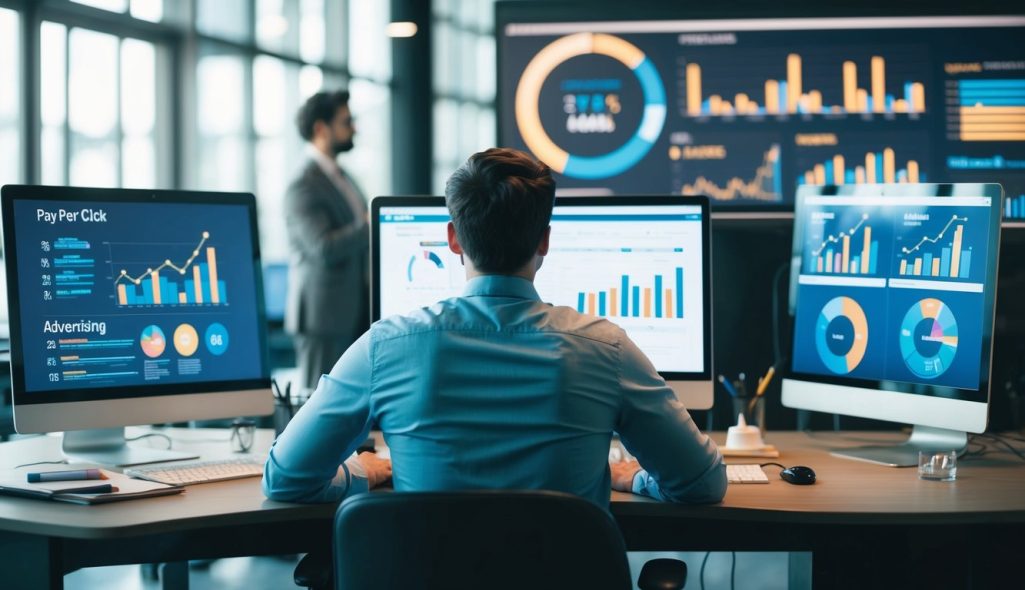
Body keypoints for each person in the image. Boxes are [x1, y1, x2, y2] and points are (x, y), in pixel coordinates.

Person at [264, 148, 726, 507]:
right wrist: (634, 477)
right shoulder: (606, 349)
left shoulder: (386, 347)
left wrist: (365, 474)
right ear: (545, 239)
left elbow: (285, 478)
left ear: (452, 238)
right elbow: (702, 484)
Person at [284, 90, 370, 393]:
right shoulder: (303, 184)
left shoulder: (341, 176)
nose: (354, 128)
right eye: (346, 122)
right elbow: (322, 247)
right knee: (317, 402)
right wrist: (370, 225)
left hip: (351, 312)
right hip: (323, 317)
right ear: (321, 129)